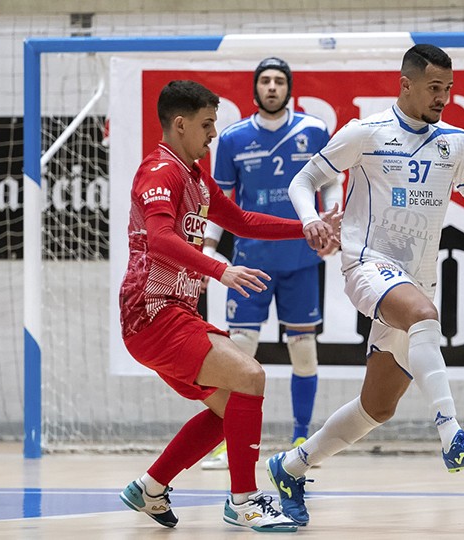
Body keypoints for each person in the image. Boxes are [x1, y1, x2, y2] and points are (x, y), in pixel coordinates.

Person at [265, 44, 464, 526]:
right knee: (425, 316)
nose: (442, 97)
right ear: (405, 84)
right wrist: (310, 220)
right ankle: (453, 438)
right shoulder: (367, 132)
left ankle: (291, 466)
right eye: (433, 88)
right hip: (367, 264)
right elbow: (304, 180)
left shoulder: (456, 144)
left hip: (417, 278)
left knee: (376, 408)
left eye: (447, 89)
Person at [116, 79, 340, 533]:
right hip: (152, 314)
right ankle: (243, 501)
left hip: (176, 313)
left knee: (230, 411)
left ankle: (150, 486)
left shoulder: (195, 176)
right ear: (180, 124)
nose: (213, 133)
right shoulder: (159, 172)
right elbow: (160, 239)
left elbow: (240, 220)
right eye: (206, 124)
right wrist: (222, 271)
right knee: (250, 376)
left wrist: (309, 225)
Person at [200, 57, 341, 471]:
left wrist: (331, 222)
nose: (273, 87)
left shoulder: (314, 130)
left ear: (289, 87)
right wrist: (209, 248)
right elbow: (219, 201)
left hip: (300, 259)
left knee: (303, 349)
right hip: (250, 262)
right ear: (256, 88)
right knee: (240, 353)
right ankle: (228, 440)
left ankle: (302, 438)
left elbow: (330, 182)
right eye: (266, 80)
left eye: (280, 80)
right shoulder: (232, 139)